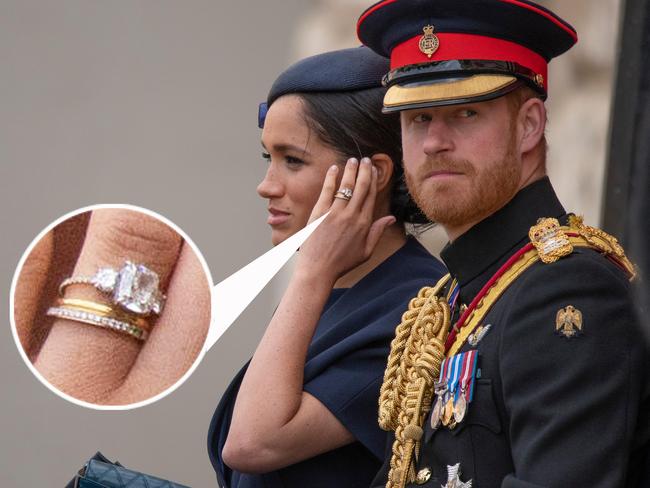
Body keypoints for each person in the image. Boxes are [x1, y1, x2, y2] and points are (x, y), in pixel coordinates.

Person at [356, 1, 650, 487]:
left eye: (466, 112)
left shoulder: (567, 286)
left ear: (530, 125)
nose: (434, 142)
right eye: (418, 119)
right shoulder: (452, 296)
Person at [207, 47, 447, 487]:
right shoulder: (338, 288)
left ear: (371, 174)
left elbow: (252, 443)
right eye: (268, 158)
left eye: (292, 160)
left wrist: (312, 272)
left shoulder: (417, 309)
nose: (266, 186)